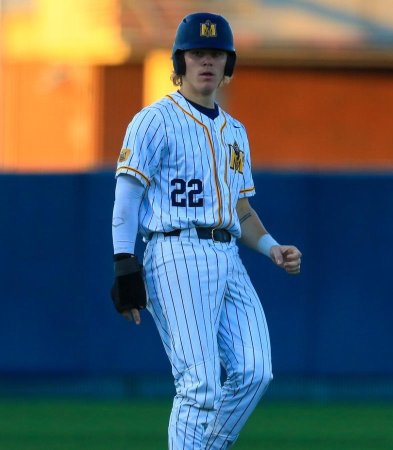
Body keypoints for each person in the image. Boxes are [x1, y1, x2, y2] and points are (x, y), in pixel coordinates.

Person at [110, 12, 302, 449]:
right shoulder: (154, 120)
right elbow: (127, 197)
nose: (207, 61)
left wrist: (272, 247)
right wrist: (124, 262)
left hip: (226, 253)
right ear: (180, 61)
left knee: (255, 371)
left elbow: (241, 209)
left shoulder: (235, 132)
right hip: (175, 252)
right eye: (197, 52)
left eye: (216, 53)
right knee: (199, 385)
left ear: (227, 63)